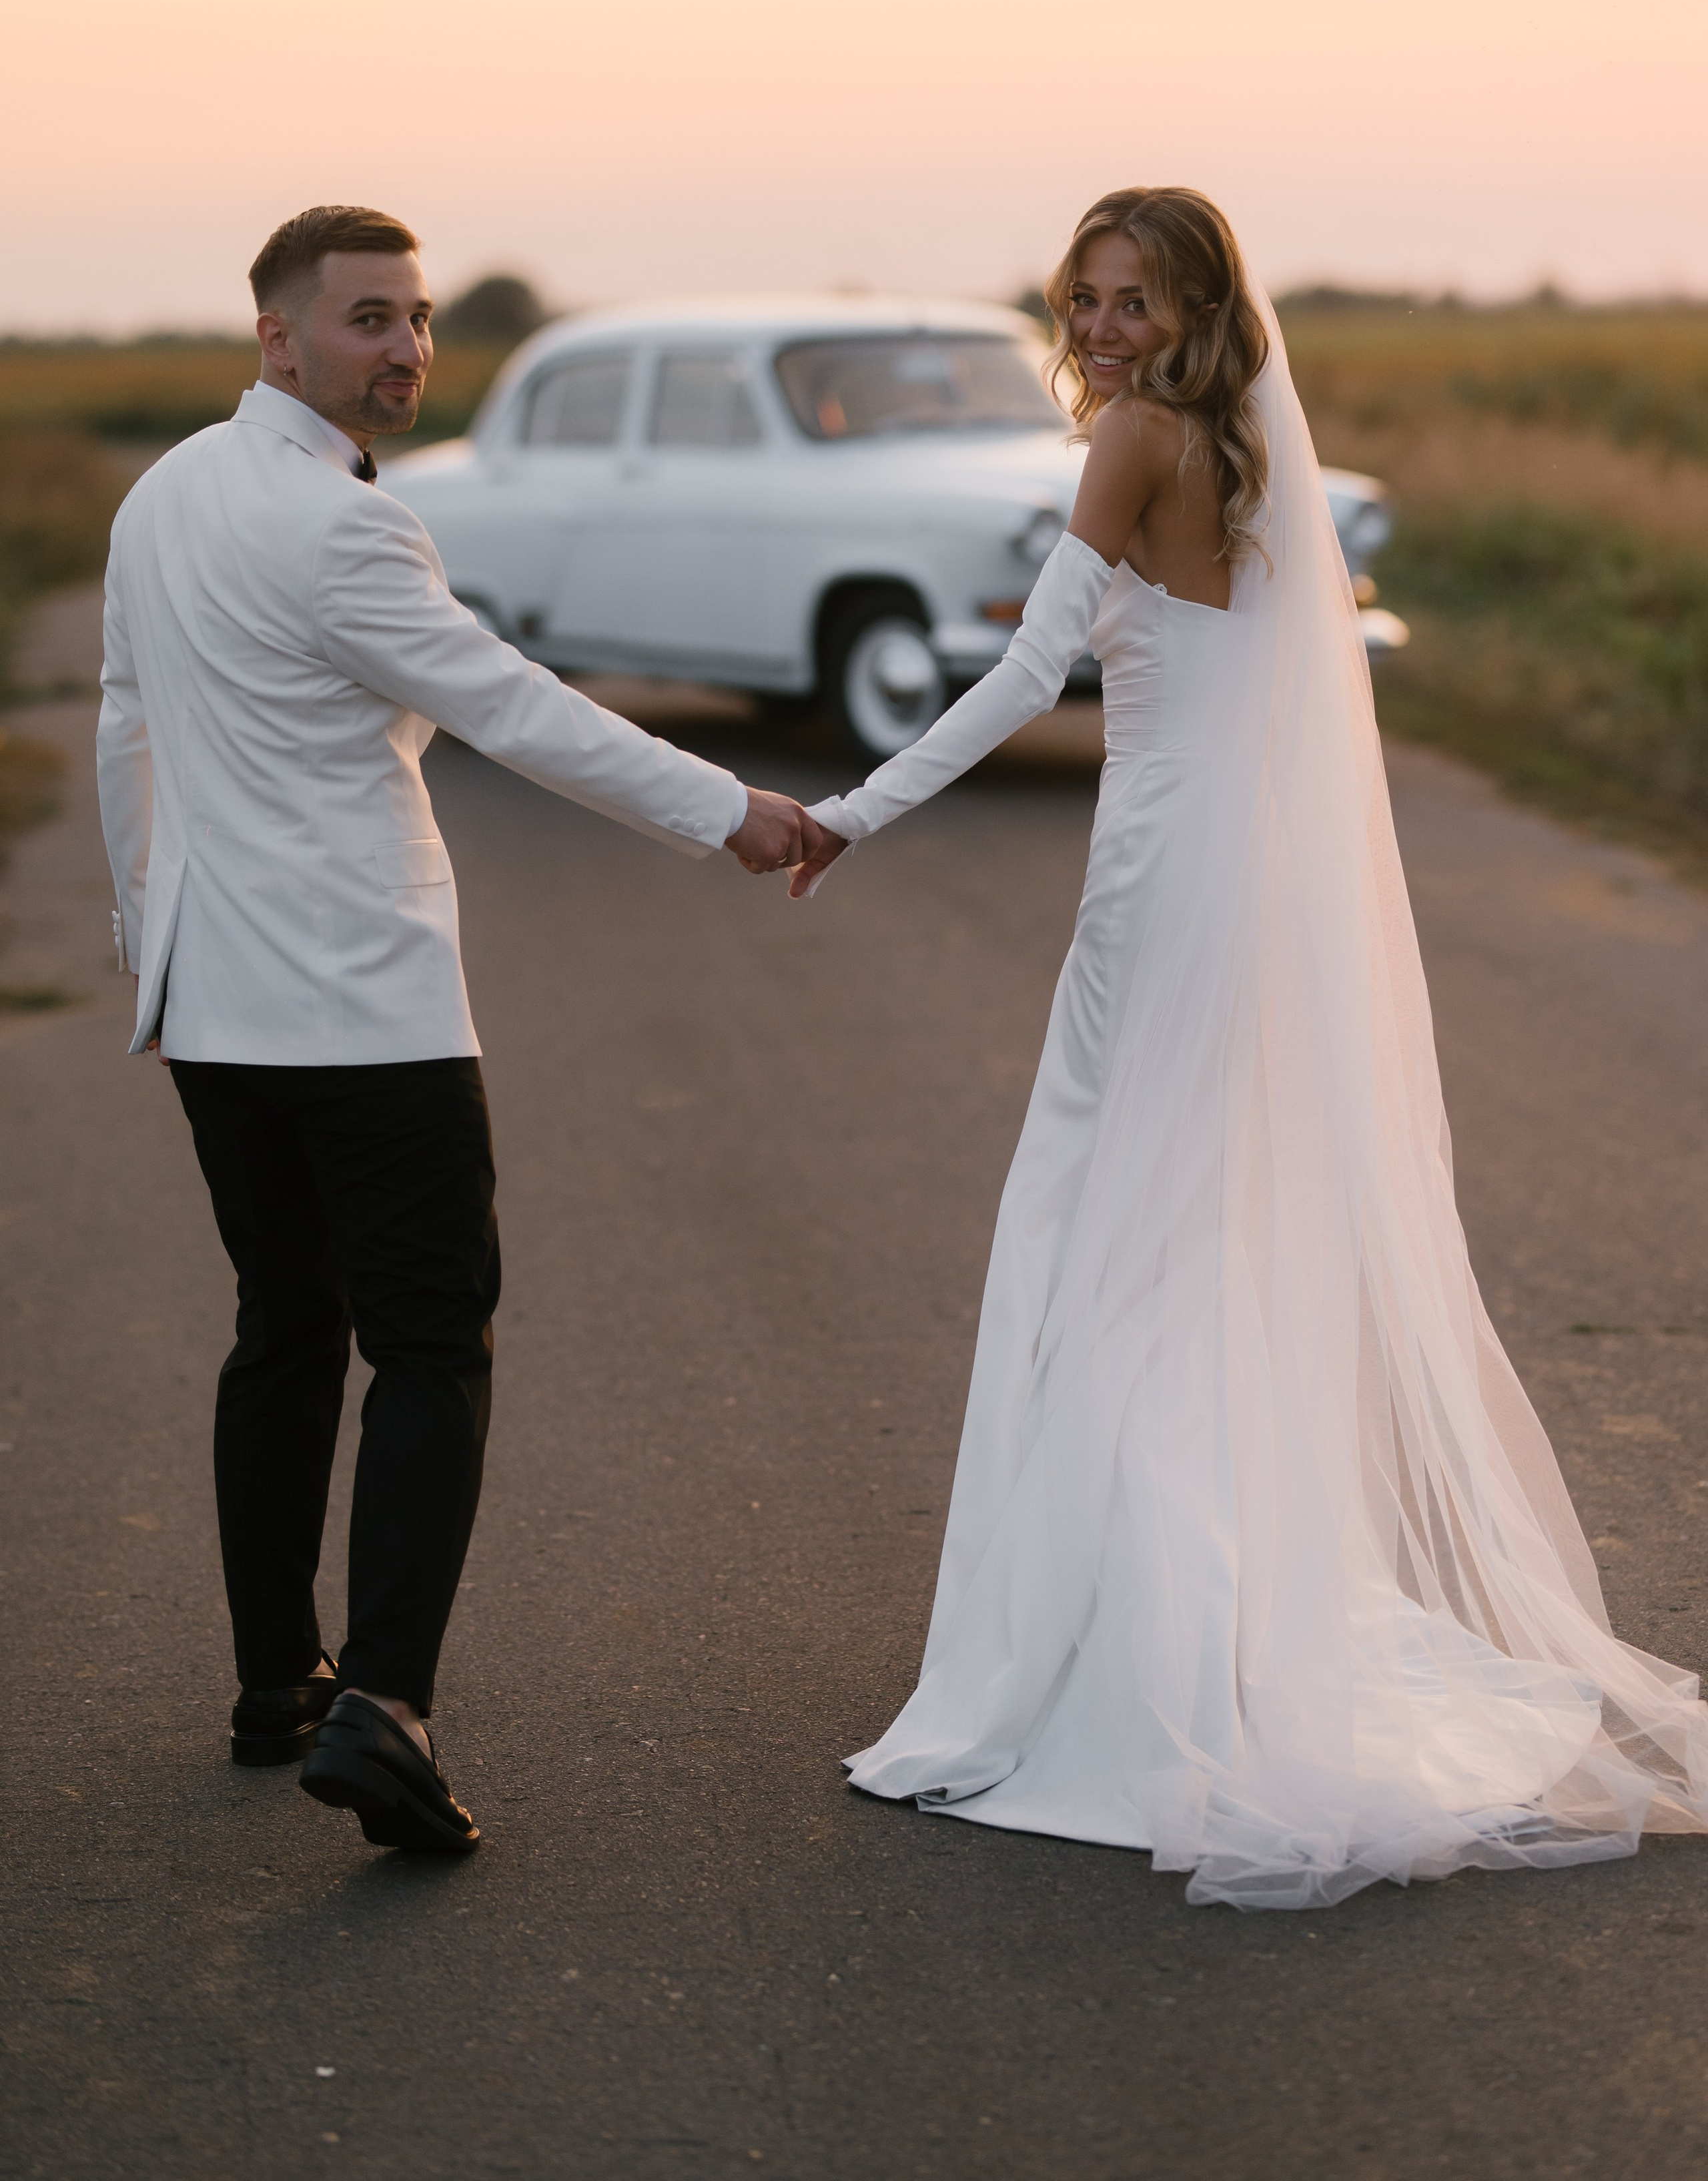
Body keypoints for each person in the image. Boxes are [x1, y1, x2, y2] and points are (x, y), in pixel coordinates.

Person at [790, 186, 1708, 1910]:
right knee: (1193, 1235)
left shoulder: (1134, 442)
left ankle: (1126, 1658)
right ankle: (1212, 1619)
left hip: (1163, 887)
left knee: (1110, 1232)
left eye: (1133, 298)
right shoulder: (1255, 452)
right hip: (1244, 875)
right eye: (1088, 295)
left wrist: (851, 811)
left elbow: (1028, 679)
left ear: (1197, 308)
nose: (1102, 326)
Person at [97, 204, 821, 1856]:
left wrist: (153, 948)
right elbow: (512, 706)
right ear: (277, 337)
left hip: (216, 1007)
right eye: (367, 318)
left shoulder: (161, 498)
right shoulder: (346, 533)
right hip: (365, 1013)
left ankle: (278, 1676)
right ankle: (389, 1710)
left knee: (283, 1324)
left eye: (416, 318)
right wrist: (735, 813)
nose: (405, 347)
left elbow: (126, 732)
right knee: (430, 1343)